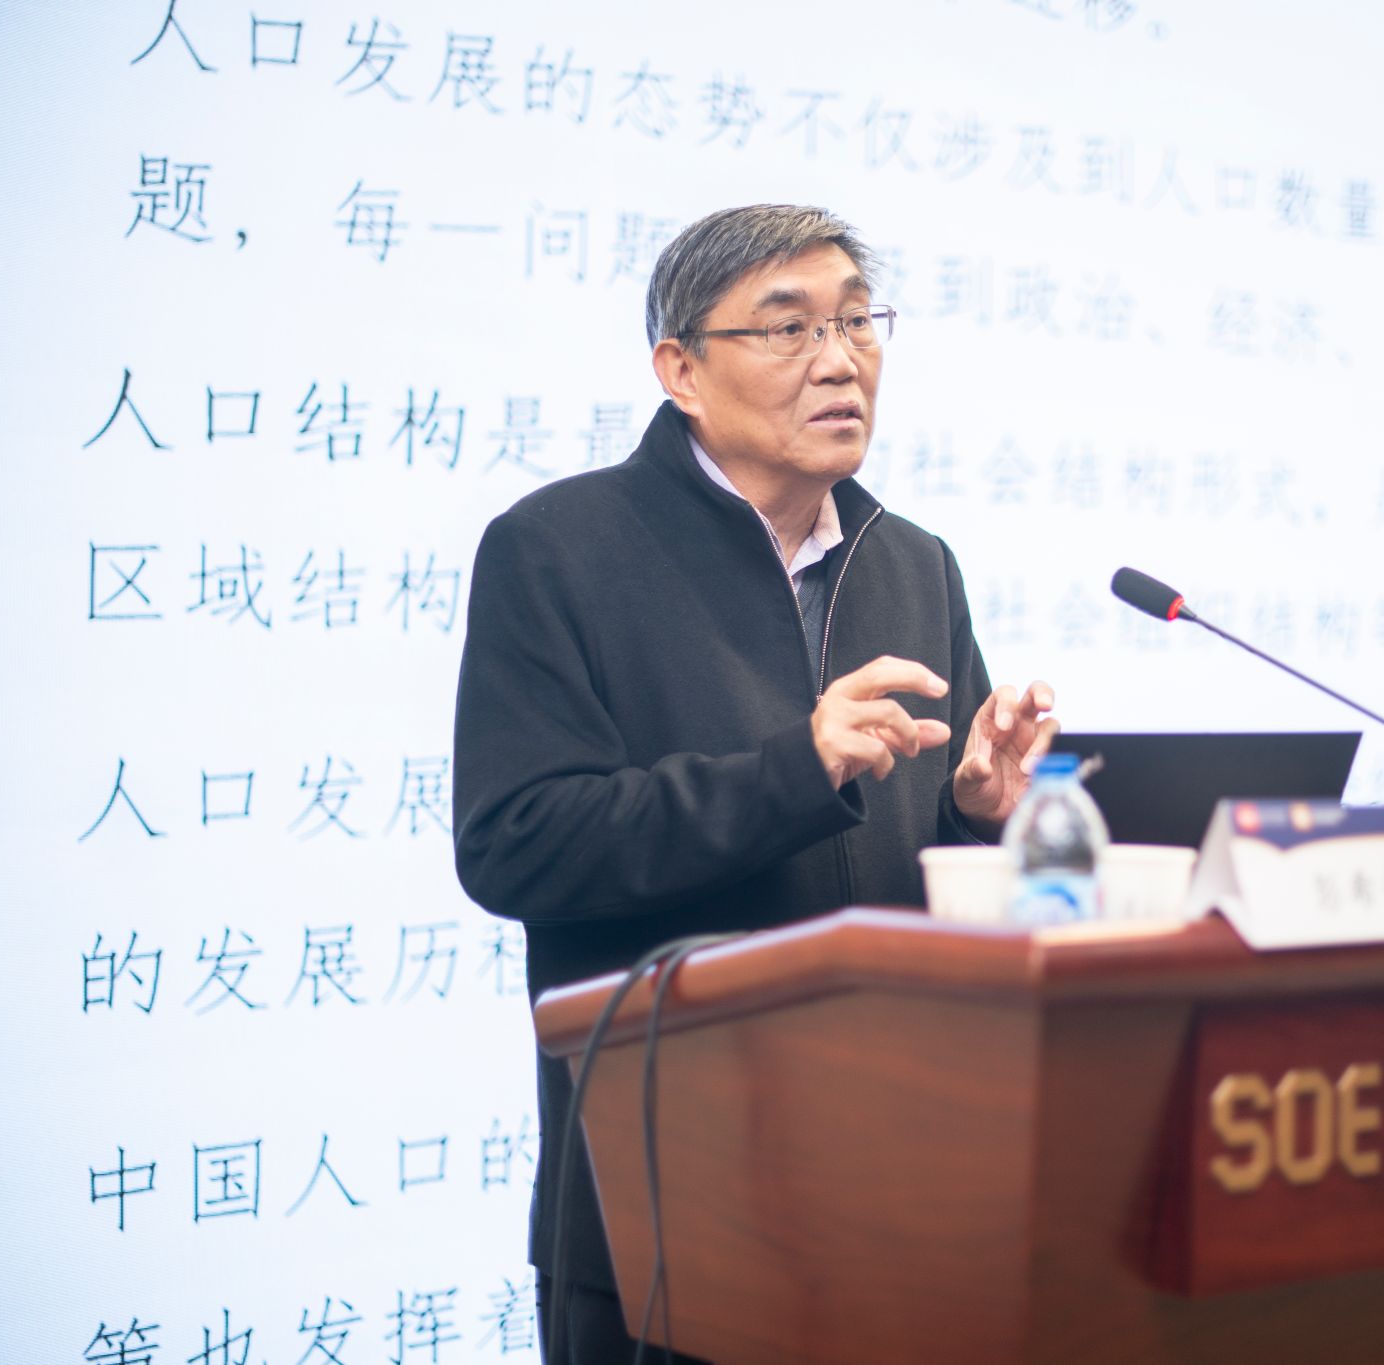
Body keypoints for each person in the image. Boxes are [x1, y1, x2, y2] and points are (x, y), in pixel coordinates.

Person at [451, 204, 1058, 1364]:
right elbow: (515, 843)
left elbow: (916, 878)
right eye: (788, 329)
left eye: (856, 322)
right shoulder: (559, 549)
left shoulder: (911, 563)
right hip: (666, 1207)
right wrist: (797, 766)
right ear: (679, 369)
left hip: (901, 1190)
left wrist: (982, 818)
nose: (838, 360)